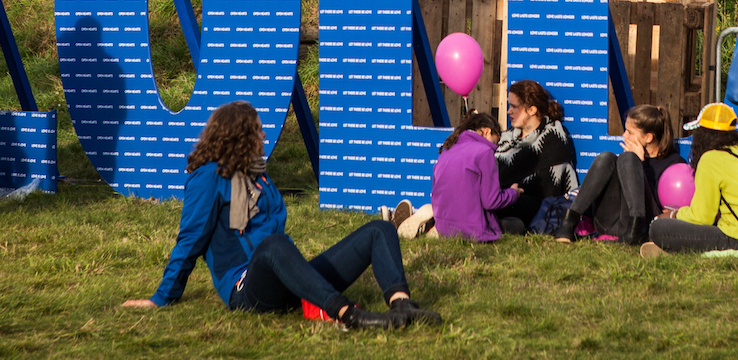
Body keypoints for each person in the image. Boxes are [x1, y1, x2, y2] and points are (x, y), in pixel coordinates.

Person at [122, 101, 441, 330]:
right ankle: (347, 314)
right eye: (258, 130)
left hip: (288, 275)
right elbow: (189, 241)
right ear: (240, 136)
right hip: (247, 289)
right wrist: (161, 298)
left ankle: (402, 307)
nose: (263, 136)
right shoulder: (208, 177)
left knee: (378, 231)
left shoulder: (258, 176)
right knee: (273, 245)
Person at [556, 104, 682, 246]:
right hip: (609, 222)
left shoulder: (673, 163)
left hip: (645, 223)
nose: (624, 136)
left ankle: (636, 232)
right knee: (607, 157)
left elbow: (663, 209)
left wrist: (639, 163)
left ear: (648, 137)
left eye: (630, 132)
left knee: (629, 158)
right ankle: (569, 221)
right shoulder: (625, 159)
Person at [642, 103, 738, 257]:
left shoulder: (711, 158)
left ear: (703, 134)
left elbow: (702, 217)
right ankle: (674, 249)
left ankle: (673, 248)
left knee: (658, 227)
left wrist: (674, 215)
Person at [495, 80, 579, 229]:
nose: (509, 111)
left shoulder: (553, 138)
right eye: (509, 106)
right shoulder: (505, 138)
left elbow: (548, 186)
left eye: (514, 106)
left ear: (532, 110)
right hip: (504, 199)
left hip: (539, 208)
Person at [430, 112, 524, 241]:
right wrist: (513, 193)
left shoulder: (447, 151)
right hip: (474, 231)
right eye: (496, 141)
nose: (495, 147)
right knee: (517, 224)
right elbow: (492, 201)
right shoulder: (484, 152)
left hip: (445, 229)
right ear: (487, 131)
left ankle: (429, 225)